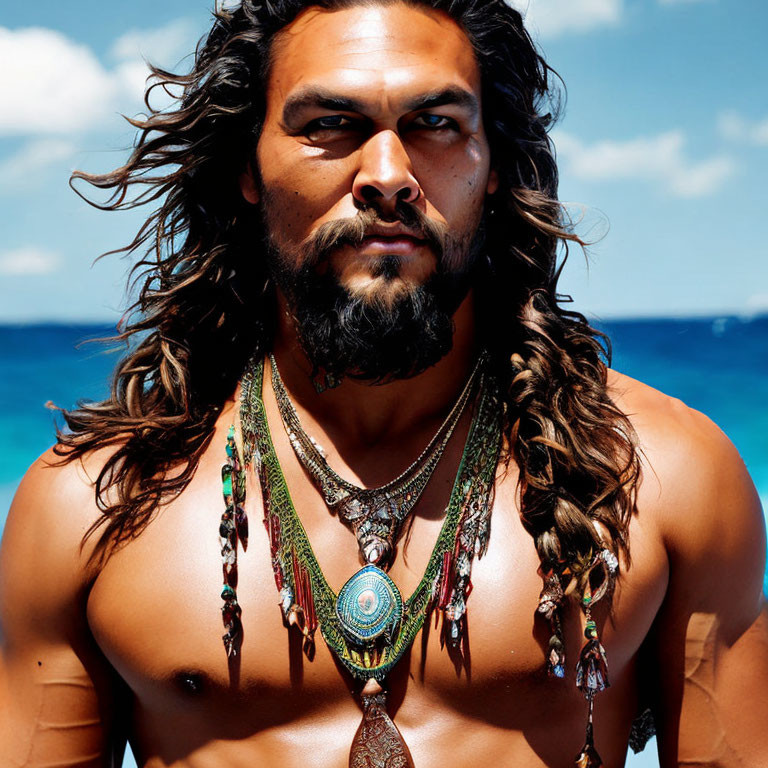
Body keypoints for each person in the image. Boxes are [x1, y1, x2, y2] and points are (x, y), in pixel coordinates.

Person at [1, 0, 766, 766]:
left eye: (435, 125)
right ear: (247, 167)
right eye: (330, 124)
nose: (390, 176)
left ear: (494, 166)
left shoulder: (666, 481)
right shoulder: (92, 510)